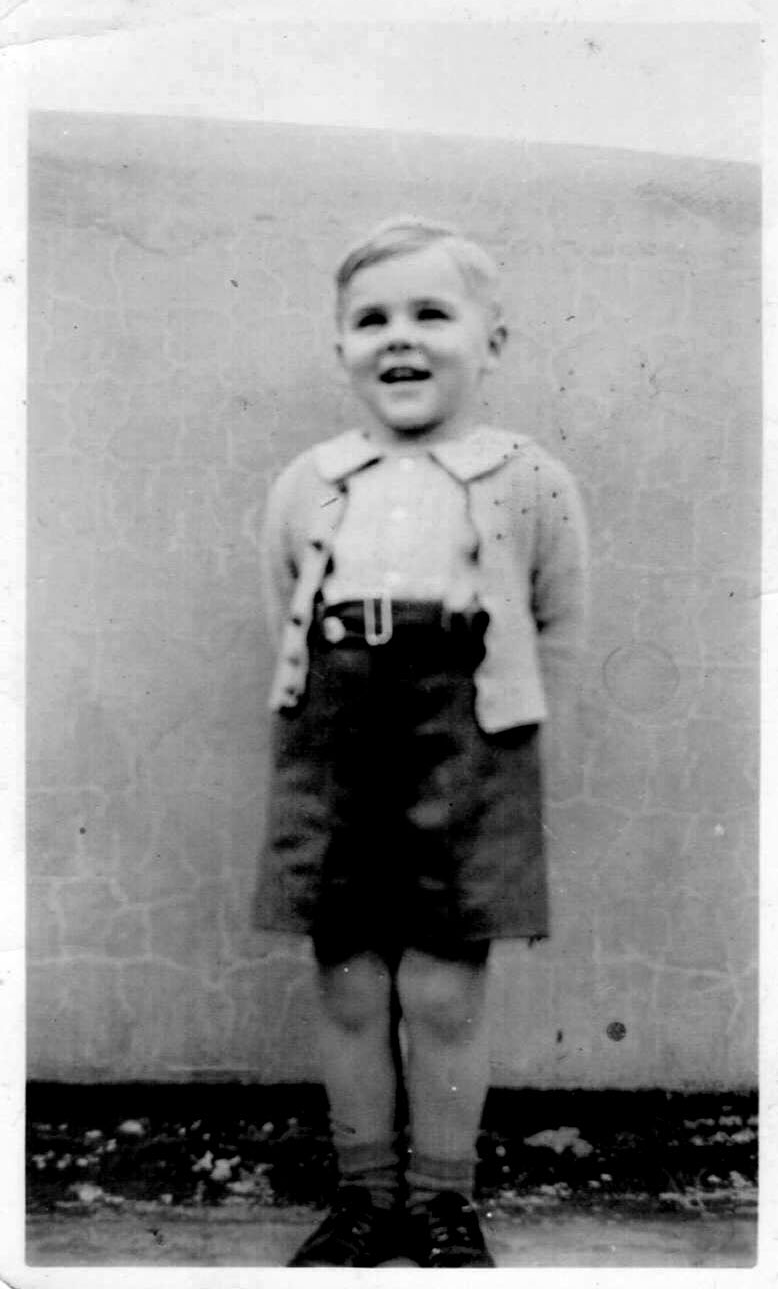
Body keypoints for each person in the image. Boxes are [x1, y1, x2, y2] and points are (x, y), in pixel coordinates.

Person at [252, 217, 589, 1267]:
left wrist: (518, 755)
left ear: (493, 342)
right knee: (347, 973)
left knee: (445, 981)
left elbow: (559, 624)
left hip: (471, 732)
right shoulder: (311, 479)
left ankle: (443, 1200)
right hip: (337, 734)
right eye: (370, 319)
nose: (398, 338)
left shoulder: (527, 476)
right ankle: (365, 1198)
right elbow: (286, 615)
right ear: (340, 346)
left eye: (431, 313)